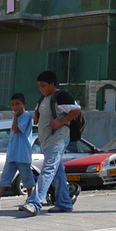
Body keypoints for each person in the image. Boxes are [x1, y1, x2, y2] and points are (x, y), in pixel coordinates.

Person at [21, 71, 80, 216]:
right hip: (47, 141)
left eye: (44, 86)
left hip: (58, 139)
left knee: (47, 171)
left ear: (52, 84)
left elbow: (76, 111)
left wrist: (60, 121)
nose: (41, 88)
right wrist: (37, 118)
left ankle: (35, 203)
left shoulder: (61, 96)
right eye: (39, 86)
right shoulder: (44, 98)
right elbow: (40, 113)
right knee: (57, 172)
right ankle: (64, 202)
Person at [0, 92, 35, 213]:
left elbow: (16, 130)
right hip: (13, 153)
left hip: (22, 153)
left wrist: (15, 116)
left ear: (24, 104)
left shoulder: (26, 116)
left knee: (27, 178)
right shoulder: (18, 117)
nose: (15, 107)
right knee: (5, 177)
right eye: (13, 104)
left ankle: (31, 200)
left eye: (18, 104)